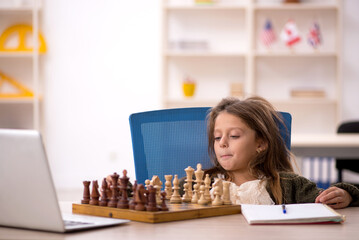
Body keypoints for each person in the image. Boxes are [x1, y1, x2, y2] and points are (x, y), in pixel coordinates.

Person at [204, 96, 359, 208]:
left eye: (234, 136)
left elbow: (329, 199)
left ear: (261, 143)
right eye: (217, 137)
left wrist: (348, 194)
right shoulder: (204, 183)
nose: (222, 143)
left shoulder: (287, 185)